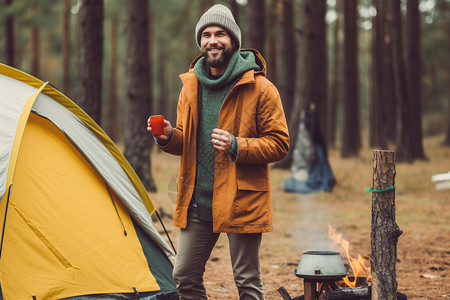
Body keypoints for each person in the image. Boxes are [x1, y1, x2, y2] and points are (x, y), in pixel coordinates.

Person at [147, 4, 289, 300]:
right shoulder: (190, 86)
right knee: (184, 276)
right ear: (200, 42)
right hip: (198, 201)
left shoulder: (261, 87)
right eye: (207, 34)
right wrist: (168, 137)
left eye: (220, 34)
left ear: (233, 41)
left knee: (246, 280)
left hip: (241, 198)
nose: (213, 40)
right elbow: (187, 142)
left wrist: (237, 145)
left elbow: (279, 143)